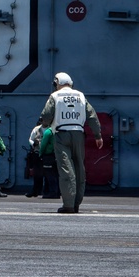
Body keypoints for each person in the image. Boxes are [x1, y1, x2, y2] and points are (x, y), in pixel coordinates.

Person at [39, 72, 103, 214]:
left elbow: (47, 115)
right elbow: (92, 116)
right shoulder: (80, 95)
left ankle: (68, 204)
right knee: (79, 168)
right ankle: (76, 203)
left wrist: (44, 124)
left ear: (57, 83)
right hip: (79, 134)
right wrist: (98, 136)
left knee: (66, 169)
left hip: (61, 135)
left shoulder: (55, 96)